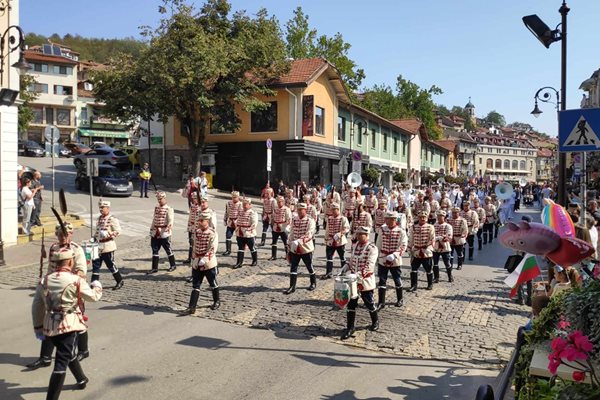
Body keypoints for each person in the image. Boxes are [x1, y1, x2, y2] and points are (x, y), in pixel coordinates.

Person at [31, 248, 103, 399]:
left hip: (50, 325)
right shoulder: (75, 280)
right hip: (69, 325)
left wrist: (38, 327)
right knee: (60, 364)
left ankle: (81, 379)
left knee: (67, 353)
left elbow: (37, 305)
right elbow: (94, 297)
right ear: (70, 262)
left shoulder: (44, 280)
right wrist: (97, 285)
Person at [27, 222, 87, 370]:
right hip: (52, 289)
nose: (62, 237)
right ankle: (45, 357)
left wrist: (67, 282)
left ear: (71, 234)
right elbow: (50, 268)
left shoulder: (76, 250)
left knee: (77, 320)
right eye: (60, 234)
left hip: (71, 289)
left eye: (65, 234)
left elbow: (81, 271)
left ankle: (83, 349)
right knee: (49, 320)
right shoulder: (54, 247)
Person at [340, 226, 379, 340]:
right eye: (358, 234)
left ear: (367, 235)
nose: (359, 236)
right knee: (351, 304)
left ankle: (375, 321)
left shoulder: (372, 248)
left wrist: (357, 275)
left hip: (365, 280)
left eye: (362, 234)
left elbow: (369, 266)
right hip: (353, 281)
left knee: (369, 303)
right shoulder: (355, 245)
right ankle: (350, 327)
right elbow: (352, 260)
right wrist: (346, 267)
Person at [180, 212, 220, 315]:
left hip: (208, 263)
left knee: (212, 283)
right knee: (195, 285)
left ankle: (217, 301)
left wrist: (205, 259)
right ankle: (192, 307)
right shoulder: (196, 232)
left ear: (207, 221)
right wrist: (194, 259)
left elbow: (212, 248)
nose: (200, 223)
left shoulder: (212, 233)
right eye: (199, 221)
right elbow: (194, 246)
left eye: (202, 221)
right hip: (197, 261)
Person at [376, 211, 408, 309]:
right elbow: (378, 243)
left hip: (395, 259)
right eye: (387, 219)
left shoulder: (401, 231)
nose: (387, 220)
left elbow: (403, 245)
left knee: (397, 279)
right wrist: (377, 256)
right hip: (383, 257)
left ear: (394, 219)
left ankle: (400, 299)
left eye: (389, 219)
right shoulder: (382, 229)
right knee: (382, 280)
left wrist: (395, 254)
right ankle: (381, 301)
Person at [284, 203, 316, 294]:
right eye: (298, 210)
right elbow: (292, 232)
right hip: (295, 247)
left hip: (305, 247)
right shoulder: (294, 220)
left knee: (309, 265)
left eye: (301, 210)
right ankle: (292, 286)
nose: (299, 211)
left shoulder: (310, 220)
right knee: (293, 266)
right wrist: (289, 243)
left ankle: (313, 283)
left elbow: (309, 233)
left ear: (305, 210)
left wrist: (299, 241)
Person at [92, 200, 124, 290]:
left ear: (108, 208)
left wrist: (109, 233)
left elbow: (119, 231)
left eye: (103, 208)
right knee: (95, 265)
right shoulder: (99, 218)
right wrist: (93, 239)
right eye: (100, 208)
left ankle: (119, 280)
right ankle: (94, 283)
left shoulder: (112, 219)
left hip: (108, 245)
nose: (101, 209)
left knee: (110, 264)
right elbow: (97, 231)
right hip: (98, 245)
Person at [147, 191, 176, 274]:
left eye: (161, 199)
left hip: (164, 232)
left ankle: (173, 265)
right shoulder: (156, 208)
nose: (159, 201)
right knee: (154, 249)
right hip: (156, 231)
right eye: (158, 199)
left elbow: (171, 220)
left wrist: (169, 226)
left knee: (168, 249)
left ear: (164, 198)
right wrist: (151, 228)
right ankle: (154, 268)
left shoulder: (169, 209)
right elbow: (154, 219)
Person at [407, 211, 435, 292]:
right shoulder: (413, 227)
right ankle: (414, 285)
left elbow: (432, 239)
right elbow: (411, 239)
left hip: (426, 252)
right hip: (416, 251)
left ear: (426, 218)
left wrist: (428, 248)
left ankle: (430, 284)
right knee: (414, 269)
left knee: (428, 269)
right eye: (420, 217)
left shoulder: (430, 227)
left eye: (424, 217)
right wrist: (409, 249)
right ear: (418, 218)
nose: (422, 219)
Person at [322, 202, 350, 280]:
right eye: (332, 210)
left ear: (338, 210)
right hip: (330, 240)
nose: (333, 211)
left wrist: (340, 233)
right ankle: (329, 272)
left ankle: (343, 272)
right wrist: (326, 238)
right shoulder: (329, 218)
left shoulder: (343, 218)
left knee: (342, 257)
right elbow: (327, 229)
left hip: (340, 241)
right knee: (329, 258)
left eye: (335, 210)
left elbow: (347, 228)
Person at [233, 198, 258, 269]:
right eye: (243, 204)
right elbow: (237, 220)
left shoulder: (252, 213)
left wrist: (248, 230)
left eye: (246, 204)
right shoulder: (240, 212)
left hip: (248, 234)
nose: (244, 206)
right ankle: (239, 262)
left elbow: (254, 223)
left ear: (250, 205)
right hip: (240, 232)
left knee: (252, 247)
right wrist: (236, 226)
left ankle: (254, 260)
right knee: (240, 248)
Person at [433, 210, 454, 283]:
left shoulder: (448, 226)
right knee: (435, 263)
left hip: (445, 247)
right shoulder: (434, 225)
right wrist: (439, 237)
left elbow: (448, 236)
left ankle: (450, 276)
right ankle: (436, 277)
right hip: (435, 247)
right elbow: (432, 236)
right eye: (438, 216)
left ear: (444, 217)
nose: (439, 218)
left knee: (447, 263)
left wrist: (439, 237)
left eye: (441, 216)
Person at [270, 195, 292, 261]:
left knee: (286, 243)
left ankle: (287, 255)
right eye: (278, 202)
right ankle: (273, 256)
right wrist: (273, 225)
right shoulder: (275, 208)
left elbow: (289, 219)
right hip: (275, 227)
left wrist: (285, 227)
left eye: (280, 202)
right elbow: (273, 217)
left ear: (283, 202)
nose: (279, 203)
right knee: (274, 242)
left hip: (283, 227)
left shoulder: (287, 209)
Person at [222, 191, 243, 256]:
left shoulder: (240, 204)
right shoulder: (228, 203)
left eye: (235, 197)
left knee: (239, 237)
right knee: (228, 235)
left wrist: (239, 223)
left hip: (237, 222)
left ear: (238, 197)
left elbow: (241, 214)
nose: (234, 199)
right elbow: (226, 212)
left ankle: (241, 249)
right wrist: (225, 220)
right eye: (233, 197)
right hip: (230, 222)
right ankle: (228, 250)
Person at [449, 206, 468, 270]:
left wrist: (463, 236)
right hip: (451, 238)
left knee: (459, 253)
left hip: (459, 238)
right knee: (450, 253)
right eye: (453, 213)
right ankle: (450, 265)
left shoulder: (462, 220)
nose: (454, 214)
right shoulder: (449, 220)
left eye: (456, 213)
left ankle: (460, 265)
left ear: (458, 213)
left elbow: (465, 230)